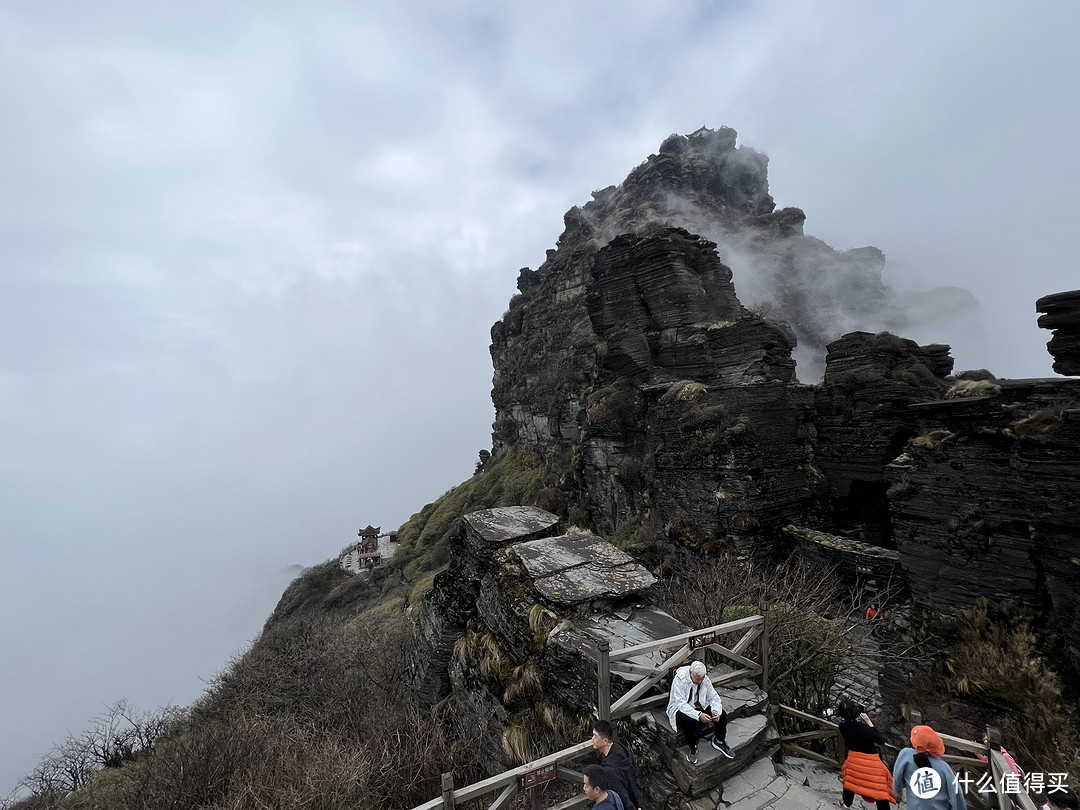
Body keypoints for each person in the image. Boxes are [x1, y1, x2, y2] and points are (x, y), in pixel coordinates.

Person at [665, 660, 734, 763]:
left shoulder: (705, 680)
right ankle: (693, 746)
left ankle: (719, 740)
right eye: (697, 679)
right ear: (691, 673)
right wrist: (698, 715)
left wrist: (716, 710)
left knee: (722, 714)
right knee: (687, 720)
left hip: (699, 705)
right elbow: (680, 704)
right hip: (680, 708)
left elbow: (714, 697)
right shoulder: (679, 680)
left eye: (701, 679)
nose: (700, 682)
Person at [836, 698, 896, 810]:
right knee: (879, 789)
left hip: (853, 760)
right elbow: (881, 740)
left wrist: (855, 720)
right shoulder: (866, 729)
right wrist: (869, 722)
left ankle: (846, 804)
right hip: (871, 763)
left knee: (850, 781)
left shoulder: (842, 727)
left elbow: (853, 728)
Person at [893, 724, 967, 810]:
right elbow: (956, 793)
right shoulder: (944, 767)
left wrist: (897, 792)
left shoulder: (905, 755)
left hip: (914, 806)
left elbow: (897, 776)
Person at [591, 719, 644, 810]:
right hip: (636, 796)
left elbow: (622, 795)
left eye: (595, 736)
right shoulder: (618, 747)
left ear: (605, 741)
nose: (592, 739)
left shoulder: (610, 771)